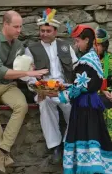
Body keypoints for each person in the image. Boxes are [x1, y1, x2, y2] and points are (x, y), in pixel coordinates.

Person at [0, 10, 48, 173]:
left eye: (20, 26)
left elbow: (20, 70)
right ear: (5, 25)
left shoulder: (18, 45)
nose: (19, 30)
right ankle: (2, 153)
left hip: (9, 86)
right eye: (16, 27)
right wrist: (28, 73)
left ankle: (1, 150)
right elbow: (0, 71)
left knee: (22, 106)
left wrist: (29, 69)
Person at [44, 25, 112, 174]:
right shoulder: (94, 57)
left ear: (87, 40)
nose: (75, 45)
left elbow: (78, 88)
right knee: (94, 139)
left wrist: (57, 95)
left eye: (77, 41)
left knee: (85, 139)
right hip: (92, 105)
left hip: (84, 108)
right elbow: (83, 84)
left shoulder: (85, 61)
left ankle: (86, 170)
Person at [25, 8, 78, 162]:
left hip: (64, 87)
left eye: (48, 31)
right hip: (44, 88)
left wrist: (75, 88)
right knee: (45, 105)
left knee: (73, 107)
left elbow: (76, 69)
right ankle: (55, 146)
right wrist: (37, 89)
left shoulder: (65, 47)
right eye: (42, 30)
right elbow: (28, 74)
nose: (44, 34)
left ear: (55, 32)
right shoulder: (31, 49)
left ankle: (67, 142)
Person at [95, 28, 112, 140]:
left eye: (98, 45)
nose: (95, 47)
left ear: (105, 45)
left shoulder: (110, 60)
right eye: (94, 44)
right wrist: (101, 90)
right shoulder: (86, 60)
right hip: (95, 94)